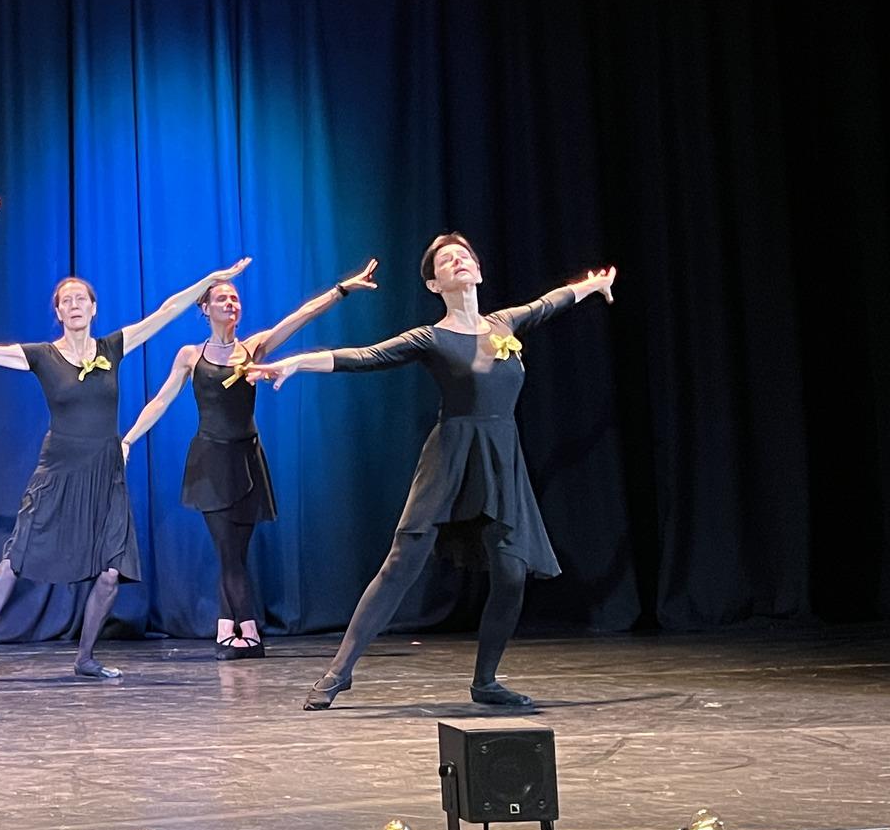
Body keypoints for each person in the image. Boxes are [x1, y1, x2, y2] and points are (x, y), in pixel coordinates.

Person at [248, 235, 616, 708]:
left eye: (465, 255)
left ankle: (485, 682)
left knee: (511, 574)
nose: (459, 260)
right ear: (434, 284)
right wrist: (298, 362)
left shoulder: (504, 323)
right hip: (451, 455)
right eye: (447, 260)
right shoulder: (430, 337)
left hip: (500, 459)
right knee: (401, 564)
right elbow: (368, 356)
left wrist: (593, 286)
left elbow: (551, 302)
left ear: (478, 271)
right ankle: (339, 671)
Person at [0, 257, 251, 683]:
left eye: (81, 299)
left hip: (106, 472)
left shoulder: (113, 348)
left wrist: (210, 279)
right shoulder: (43, 357)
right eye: (66, 301)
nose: (75, 305)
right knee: (14, 561)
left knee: (111, 571)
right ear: (59, 313)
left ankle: (85, 658)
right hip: (58, 471)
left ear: (94, 308)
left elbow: (167, 311)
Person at [121, 259, 377, 656]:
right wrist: (128, 439)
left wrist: (341, 289)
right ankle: (250, 633)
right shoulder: (191, 355)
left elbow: (300, 317)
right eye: (221, 298)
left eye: (235, 298)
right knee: (227, 550)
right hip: (210, 462)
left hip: (247, 461)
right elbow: (161, 401)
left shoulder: (252, 347)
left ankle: (227, 628)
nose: (230, 303)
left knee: (235, 553)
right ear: (204, 308)